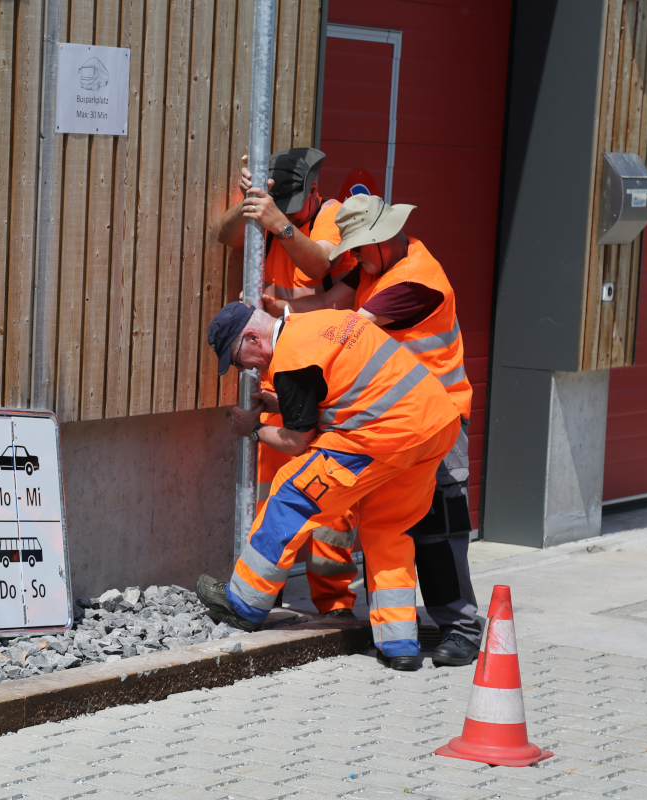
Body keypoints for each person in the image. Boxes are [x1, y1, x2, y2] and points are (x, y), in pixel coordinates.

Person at [197, 299, 461, 670]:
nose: (247, 370)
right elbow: (341, 387)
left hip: (384, 433)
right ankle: (400, 644)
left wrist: (253, 429)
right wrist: (283, 401)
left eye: (239, 360)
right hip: (434, 424)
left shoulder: (291, 359)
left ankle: (244, 604)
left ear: (253, 338)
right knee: (387, 528)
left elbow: (296, 442)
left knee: (291, 493)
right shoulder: (320, 323)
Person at [285, 194, 482, 667]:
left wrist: (290, 345)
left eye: (360, 249)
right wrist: (275, 310)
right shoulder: (374, 266)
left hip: (440, 422)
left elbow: (351, 328)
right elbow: (327, 302)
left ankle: (461, 629)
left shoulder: (417, 280)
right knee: (386, 529)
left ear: (386, 237)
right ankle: (395, 635)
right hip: (395, 423)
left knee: (439, 528)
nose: (354, 259)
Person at [213, 149, 358, 616]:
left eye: (297, 203)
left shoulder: (330, 216)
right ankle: (261, 591)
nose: (290, 209)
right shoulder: (270, 214)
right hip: (285, 371)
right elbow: (224, 235)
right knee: (273, 491)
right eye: (282, 203)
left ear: (315, 192)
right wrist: (249, 201)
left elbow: (322, 269)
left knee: (329, 508)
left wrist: (280, 224)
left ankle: (334, 605)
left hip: (324, 377)